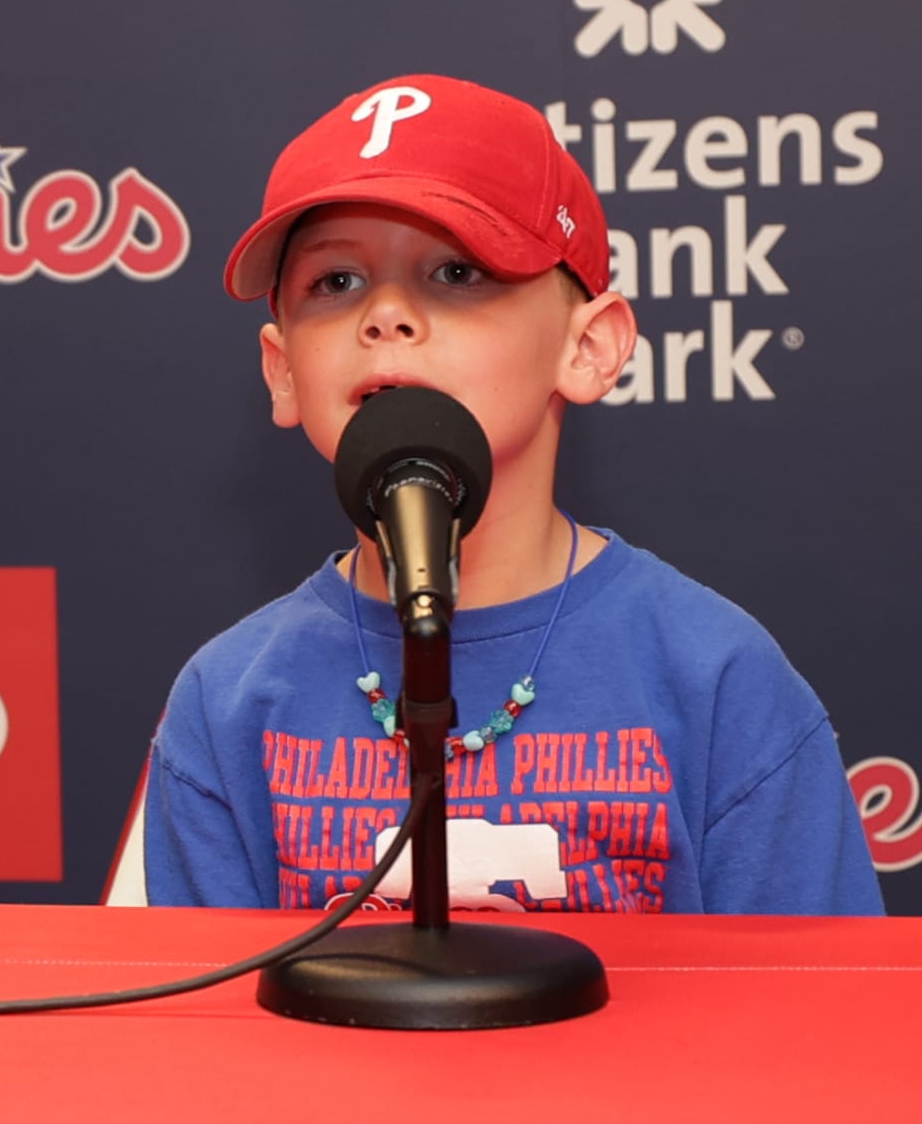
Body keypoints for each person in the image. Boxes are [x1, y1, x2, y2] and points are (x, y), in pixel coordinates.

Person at [145, 74, 882, 915]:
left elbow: (809, 1029)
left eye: (456, 272)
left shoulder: (717, 678)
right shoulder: (229, 696)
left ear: (591, 347)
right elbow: (198, 1038)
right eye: (335, 282)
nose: (385, 314)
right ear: (282, 370)